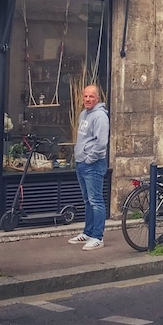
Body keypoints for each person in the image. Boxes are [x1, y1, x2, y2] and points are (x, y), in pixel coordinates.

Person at [68, 84, 110, 250]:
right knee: (88, 201)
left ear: (97, 98)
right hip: (82, 164)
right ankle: (88, 232)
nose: (87, 99)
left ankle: (98, 237)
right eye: (85, 96)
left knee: (96, 201)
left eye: (91, 96)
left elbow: (101, 143)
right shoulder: (83, 114)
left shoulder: (100, 116)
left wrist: (89, 159)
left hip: (93, 164)